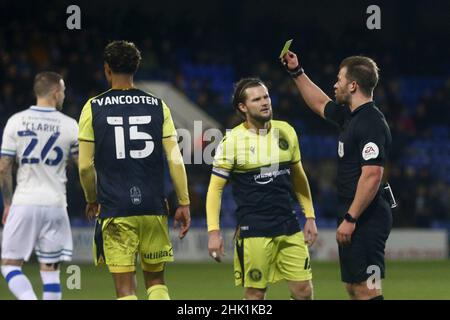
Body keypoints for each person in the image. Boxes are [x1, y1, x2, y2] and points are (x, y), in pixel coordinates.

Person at [78, 40, 190, 300]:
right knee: (156, 282)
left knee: (125, 290)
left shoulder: (92, 107)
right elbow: (175, 158)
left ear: (106, 69)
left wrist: (91, 198)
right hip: (152, 206)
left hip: (115, 208)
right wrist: (183, 201)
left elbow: (85, 166)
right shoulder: (158, 105)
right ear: (136, 68)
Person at [281, 49, 393, 300]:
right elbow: (320, 103)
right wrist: (296, 72)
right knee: (354, 288)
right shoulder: (350, 117)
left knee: (367, 289)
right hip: (357, 214)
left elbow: (373, 175)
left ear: (353, 85)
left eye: (339, 80)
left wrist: (351, 218)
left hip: (367, 217)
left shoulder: (371, 122)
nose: (335, 85)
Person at [206, 78, 318, 300]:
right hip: (254, 228)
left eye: (266, 96)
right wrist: (213, 232)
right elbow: (215, 190)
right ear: (243, 107)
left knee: (304, 292)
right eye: (256, 99)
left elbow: (299, 177)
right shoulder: (232, 141)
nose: (265, 102)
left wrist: (310, 216)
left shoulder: (286, 131)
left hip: (289, 224)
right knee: (256, 294)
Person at [0, 72, 79, 300]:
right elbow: (83, 167)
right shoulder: (69, 125)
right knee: (51, 272)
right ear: (56, 93)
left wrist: (7, 203)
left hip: (24, 202)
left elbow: (3, 168)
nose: (64, 95)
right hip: (56, 204)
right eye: (62, 90)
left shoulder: (16, 121)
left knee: (10, 265)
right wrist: (92, 198)